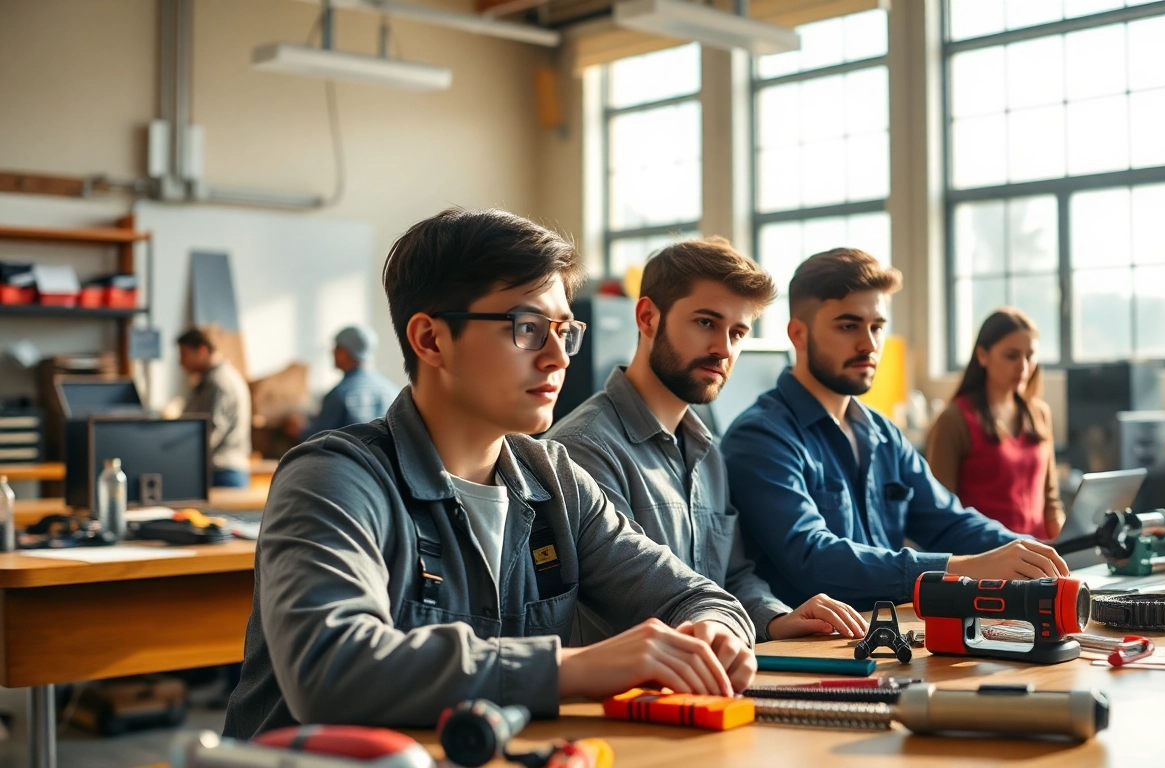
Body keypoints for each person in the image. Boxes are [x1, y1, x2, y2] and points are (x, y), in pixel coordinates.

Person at [223, 208, 756, 739]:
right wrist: (574, 669)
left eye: (564, 332)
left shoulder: (556, 481)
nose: (558, 358)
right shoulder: (333, 478)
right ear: (431, 340)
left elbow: (697, 597)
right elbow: (330, 666)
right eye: (528, 328)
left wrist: (715, 635)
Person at [548, 238, 868, 644]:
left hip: (713, 663)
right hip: (640, 678)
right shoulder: (582, 449)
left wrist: (777, 619)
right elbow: (641, 598)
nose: (724, 348)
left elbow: (733, 576)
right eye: (706, 323)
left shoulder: (707, 451)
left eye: (738, 332)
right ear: (647, 318)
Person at [721, 248, 1068, 609]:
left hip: (889, 633)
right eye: (848, 326)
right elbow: (814, 558)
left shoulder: (884, 434)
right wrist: (961, 568)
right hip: (812, 642)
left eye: (877, 327)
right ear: (799, 334)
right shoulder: (761, 438)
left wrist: (1038, 555)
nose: (869, 344)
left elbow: (949, 522)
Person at [925, 308, 1065, 539]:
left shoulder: (1039, 414)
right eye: (1011, 356)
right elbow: (941, 513)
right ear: (983, 355)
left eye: (1030, 356)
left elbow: (1050, 501)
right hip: (987, 554)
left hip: (1040, 553)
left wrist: (1067, 546)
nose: (1023, 367)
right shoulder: (954, 419)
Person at [285, 324, 402, 441]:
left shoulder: (340, 394)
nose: (332, 352)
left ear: (344, 352)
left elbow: (318, 440)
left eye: (336, 348)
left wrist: (299, 430)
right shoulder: (392, 390)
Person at [177, 327, 252, 488]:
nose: (180, 362)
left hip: (223, 473)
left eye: (184, 354)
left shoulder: (220, 383)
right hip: (218, 470)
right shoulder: (209, 380)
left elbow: (211, 432)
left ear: (202, 350)